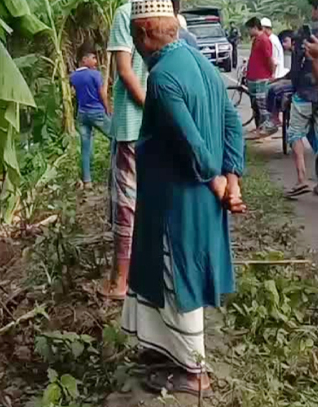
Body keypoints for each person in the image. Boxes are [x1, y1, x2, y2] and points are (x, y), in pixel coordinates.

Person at [124, 0, 245, 396]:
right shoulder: (201, 64)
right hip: (198, 198)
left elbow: (192, 143)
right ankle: (167, 353)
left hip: (177, 201)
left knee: (178, 279)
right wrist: (233, 179)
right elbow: (231, 122)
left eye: (134, 35)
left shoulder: (161, 77)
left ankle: (195, 374)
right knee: (178, 275)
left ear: (143, 34)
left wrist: (214, 178)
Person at [100, 0, 148, 300]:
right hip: (155, 127)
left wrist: (151, 108)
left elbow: (125, 72)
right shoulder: (165, 10)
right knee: (150, 197)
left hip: (133, 123)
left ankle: (120, 282)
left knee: (126, 203)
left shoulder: (126, 12)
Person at [284, 0, 318, 198]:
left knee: (295, 134)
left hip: (305, 95)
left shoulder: (305, 35)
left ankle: (301, 179)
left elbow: (296, 69)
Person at [70, 44, 112, 189]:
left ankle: (87, 180)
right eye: (93, 58)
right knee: (115, 137)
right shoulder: (95, 74)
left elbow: (76, 94)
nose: (95, 61)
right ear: (84, 59)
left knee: (85, 147)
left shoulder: (73, 76)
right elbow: (102, 94)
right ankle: (115, 169)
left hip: (82, 114)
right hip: (97, 112)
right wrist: (108, 110)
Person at [260, 30, 296, 135]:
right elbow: (291, 72)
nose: (284, 45)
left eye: (286, 41)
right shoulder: (293, 53)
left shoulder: (298, 52)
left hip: (301, 84)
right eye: (282, 42)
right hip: (294, 79)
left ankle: (274, 118)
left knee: (275, 90)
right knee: (271, 86)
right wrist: (279, 79)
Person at [245, 17, 275, 131]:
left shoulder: (264, 40)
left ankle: (266, 129)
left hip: (261, 77)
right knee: (256, 105)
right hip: (253, 77)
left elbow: (269, 59)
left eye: (249, 29)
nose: (248, 32)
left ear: (254, 28)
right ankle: (260, 128)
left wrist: (271, 74)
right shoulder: (256, 40)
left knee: (262, 105)